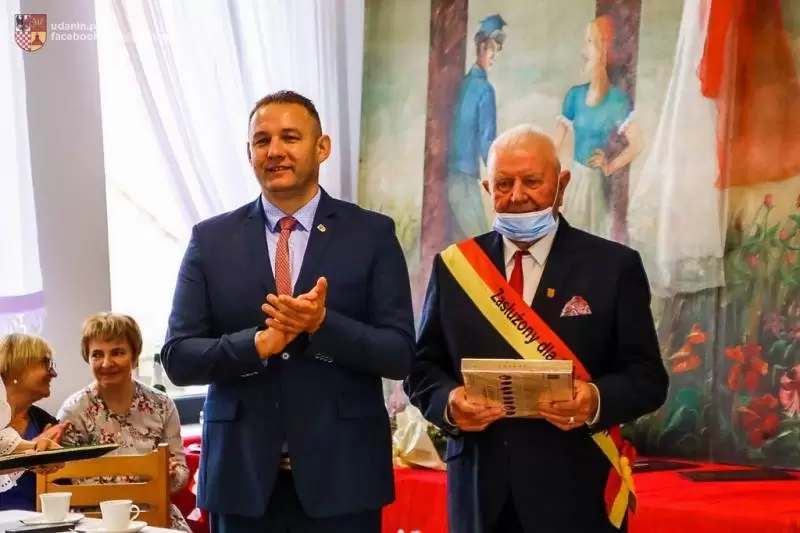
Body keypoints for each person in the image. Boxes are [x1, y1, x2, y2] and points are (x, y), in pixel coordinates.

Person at [161, 90, 415, 533]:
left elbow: (399, 354)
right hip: (241, 482)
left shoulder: (371, 234)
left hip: (344, 481)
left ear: (322, 147)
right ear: (249, 154)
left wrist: (322, 326)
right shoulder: (211, 240)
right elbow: (179, 358)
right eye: (262, 141)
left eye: (290, 137)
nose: (274, 151)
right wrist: (257, 345)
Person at [404, 125, 668, 533]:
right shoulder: (455, 267)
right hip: (479, 492)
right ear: (487, 188)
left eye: (531, 181)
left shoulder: (613, 267)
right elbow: (421, 369)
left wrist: (594, 400)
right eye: (503, 184)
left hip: (575, 494)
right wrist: (450, 403)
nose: (517, 196)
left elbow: (647, 378)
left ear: (562, 184)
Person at [57, 313, 191, 531]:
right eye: (97, 354)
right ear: (87, 358)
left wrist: (173, 475)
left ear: (135, 356)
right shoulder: (73, 411)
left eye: (117, 352)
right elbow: (67, 481)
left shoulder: (162, 405)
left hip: (154, 513)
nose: (106, 363)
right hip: (95, 521)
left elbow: (181, 472)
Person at [553, 15, 643, 242]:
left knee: (593, 243)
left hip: (595, 187)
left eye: (590, 42)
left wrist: (609, 166)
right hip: (573, 183)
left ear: (603, 50)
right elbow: (554, 147)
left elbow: (637, 144)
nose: (583, 51)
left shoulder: (617, 101)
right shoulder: (574, 96)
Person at [447, 14, 507, 241]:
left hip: (450, 179)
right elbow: (487, 143)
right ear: (482, 46)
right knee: (484, 247)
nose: (494, 56)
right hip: (465, 180)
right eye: (492, 49)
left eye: (497, 50)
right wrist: (502, 179)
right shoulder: (484, 90)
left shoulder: (462, 84)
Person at [0, 333, 65, 510]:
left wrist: (38, 452)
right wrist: (34, 449)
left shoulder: (47, 422)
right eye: (46, 363)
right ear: (17, 365)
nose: (54, 373)